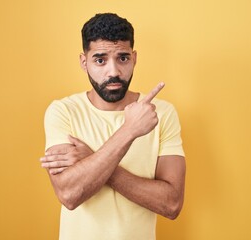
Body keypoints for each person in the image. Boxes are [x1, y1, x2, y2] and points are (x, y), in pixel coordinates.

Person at [40, 13, 186, 240]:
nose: (114, 72)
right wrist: (130, 131)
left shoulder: (160, 113)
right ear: (83, 61)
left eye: (123, 58)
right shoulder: (63, 111)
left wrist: (93, 160)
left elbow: (171, 203)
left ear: (134, 58)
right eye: (100, 59)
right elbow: (69, 194)